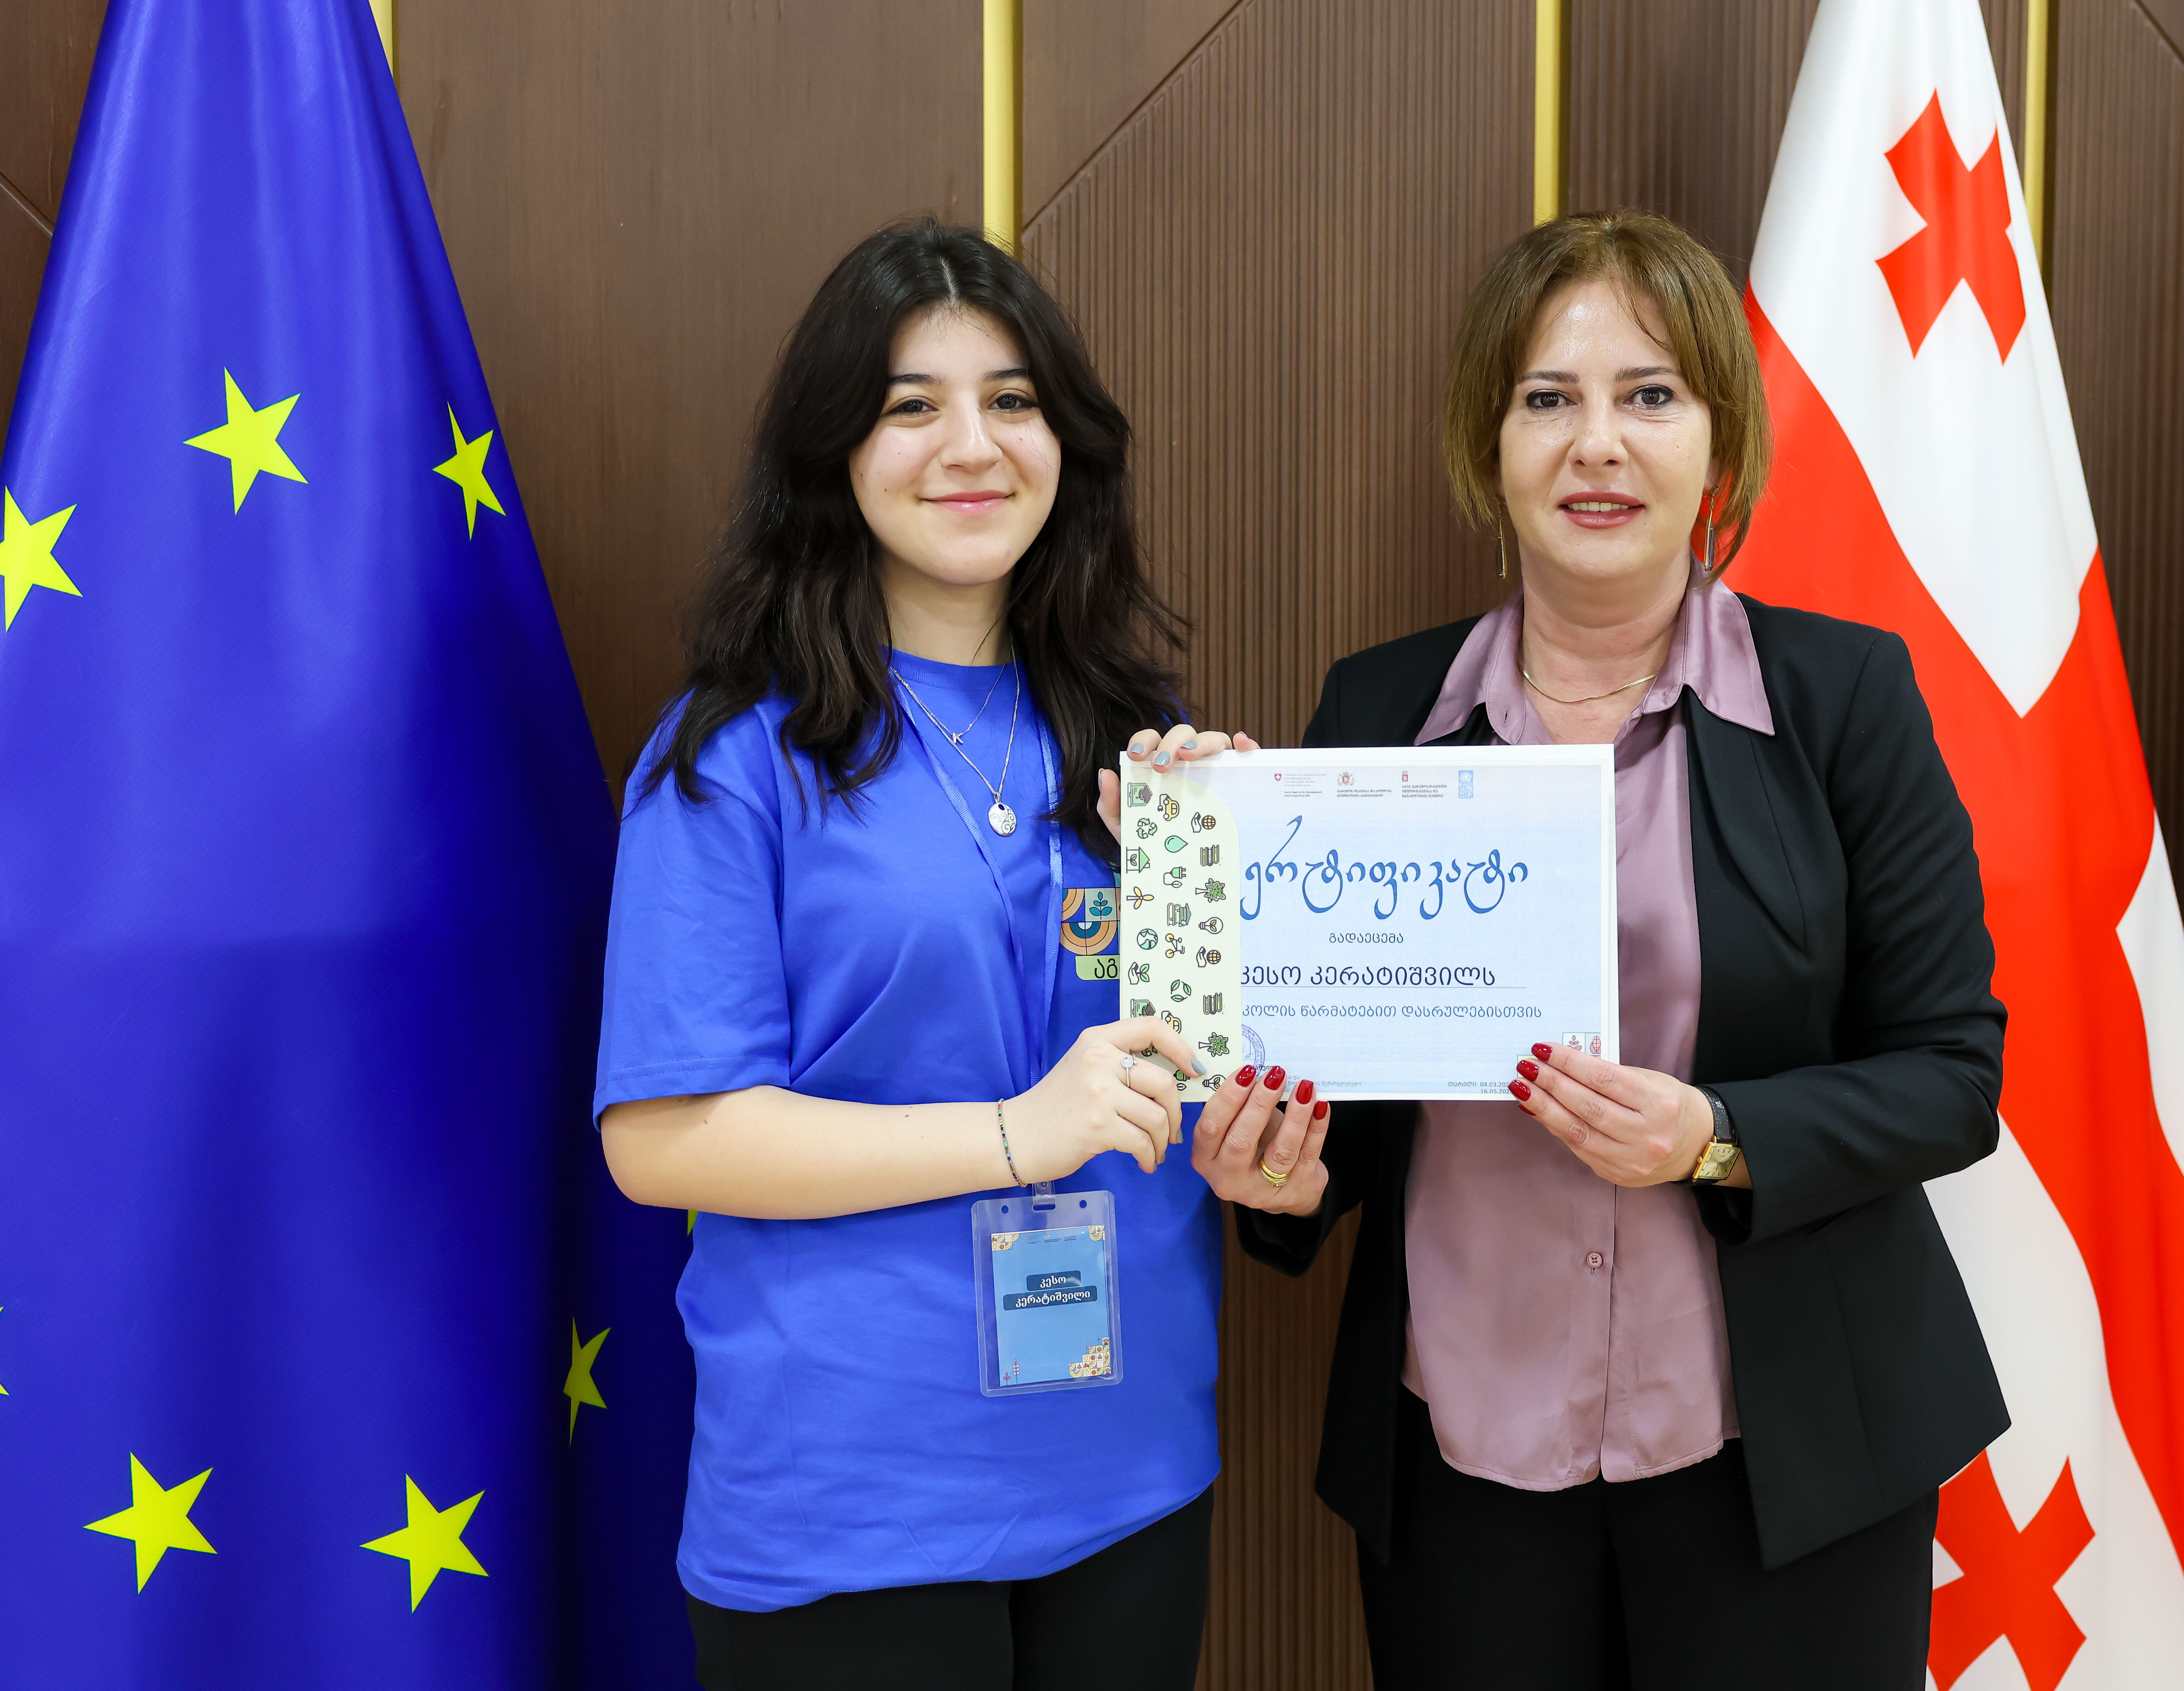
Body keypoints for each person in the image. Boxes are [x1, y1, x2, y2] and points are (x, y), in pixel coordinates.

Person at [1222, 210, 2012, 1688]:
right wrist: (1280, 1171)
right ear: (1490, 446)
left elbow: (1950, 1076)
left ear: (1720, 449)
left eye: (1649, 395)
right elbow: (1335, 1103)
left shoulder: (1842, 696)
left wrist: (1714, 1137)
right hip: (1459, 1456)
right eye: (1548, 398)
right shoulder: (1375, 713)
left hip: (1783, 1457)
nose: (1597, 444)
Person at [594, 219, 1299, 1691]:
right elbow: (661, 1141)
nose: (971, 446)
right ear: (835, 452)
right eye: (912, 405)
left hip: (1129, 1469)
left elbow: (1204, 1075)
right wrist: (1016, 1135)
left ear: (1065, 443)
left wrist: (1260, 1096)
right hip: (852, 1497)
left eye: (1013, 400)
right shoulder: (732, 758)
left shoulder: (1146, 740)